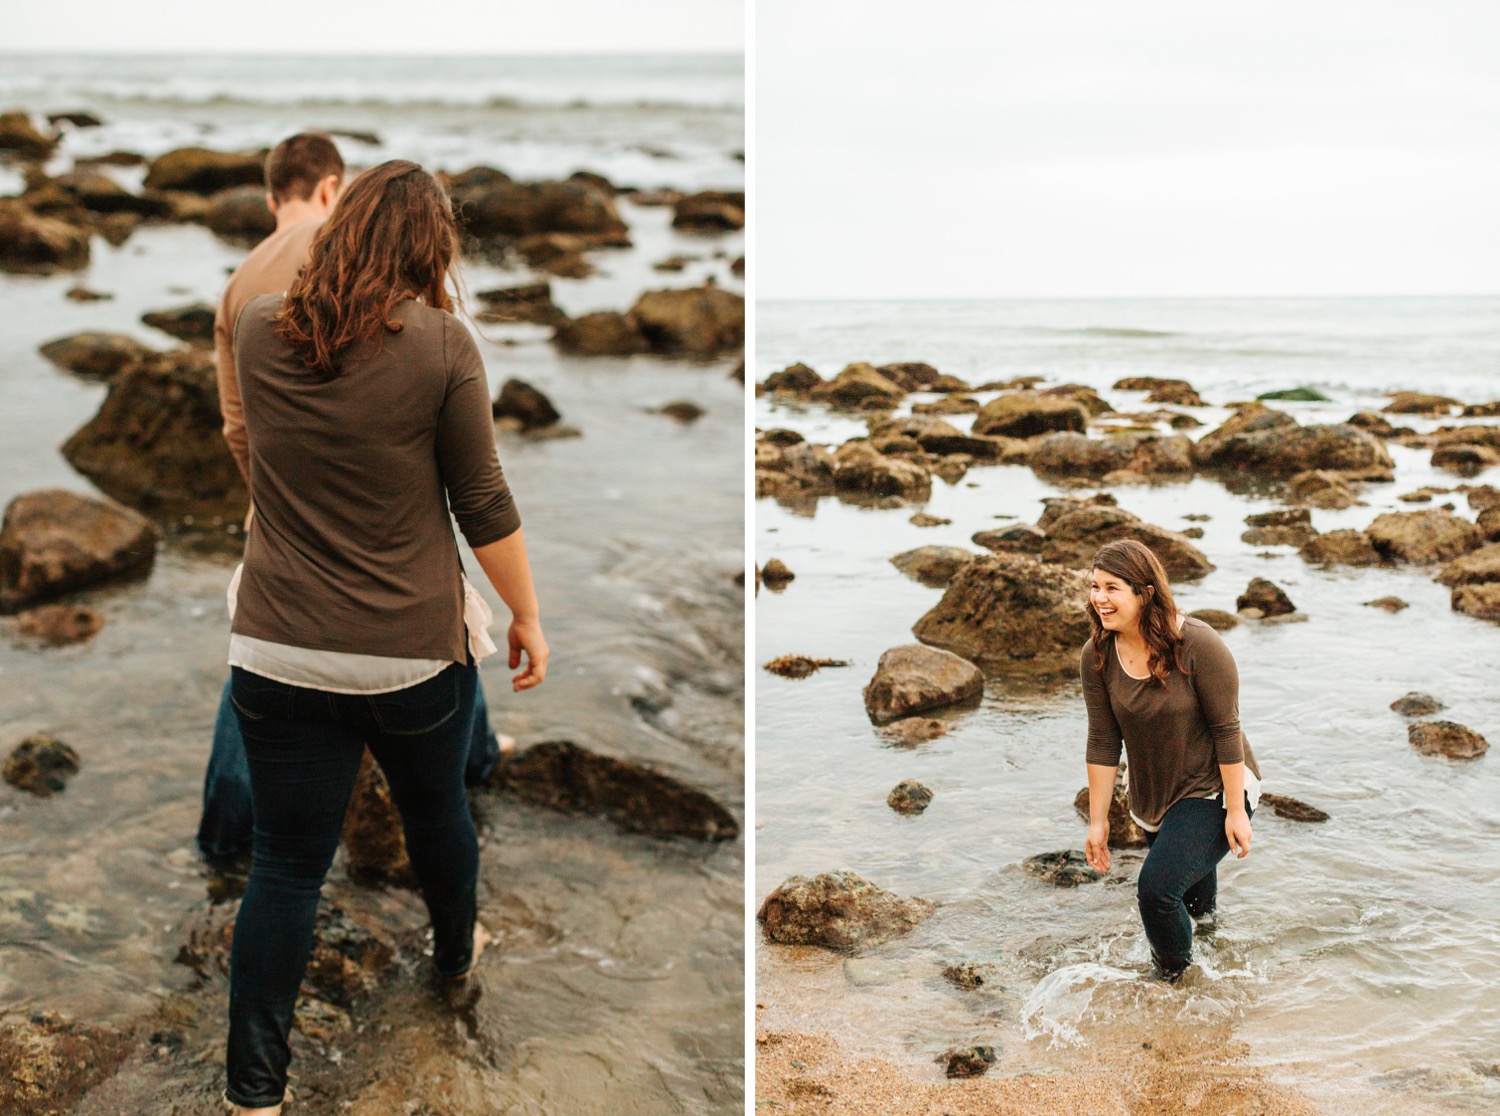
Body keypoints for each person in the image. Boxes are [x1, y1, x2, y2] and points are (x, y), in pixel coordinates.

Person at [220, 159, 548, 1114]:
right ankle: (454, 962)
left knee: (284, 864)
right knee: (437, 812)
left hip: (275, 647)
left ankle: (253, 1095)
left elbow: (269, 446)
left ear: (339, 225)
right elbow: (481, 498)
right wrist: (525, 615)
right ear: (427, 247)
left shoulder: (253, 328)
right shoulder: (445, 345)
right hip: (409, 654)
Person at [197, 133, 503, 871]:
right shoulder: (364, 266)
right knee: (445, 630)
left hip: (283, 533)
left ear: (274, 196)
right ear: (334, 192)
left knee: (268, 677)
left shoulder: (243, 294)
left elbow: (239, 425)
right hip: (398, 553)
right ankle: (477, 766)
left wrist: (279, 498)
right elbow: (463, 471)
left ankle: (224, 836)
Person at [1079, 539, 1260, 982]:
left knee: (1157, 892)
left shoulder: (1197, 644)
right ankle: (1219, 963)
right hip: (1154, 798)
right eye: (1094, 587)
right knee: (1196, 909)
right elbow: (1104, 741)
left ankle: (1176, 983)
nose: (1099, 598)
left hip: (1215, 788)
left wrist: (1236, 810)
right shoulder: (1097, 656)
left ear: (1145, 593)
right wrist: (1098, 820)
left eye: (1112, 588)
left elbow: (1226, 729)